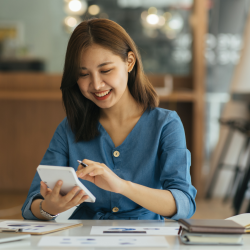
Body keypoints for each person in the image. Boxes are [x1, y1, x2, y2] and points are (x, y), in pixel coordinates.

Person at [22, 18, 197, 221]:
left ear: (129, 62)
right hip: (82, 239)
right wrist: (48, 208)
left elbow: (184, 203)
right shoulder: (68, 128)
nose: (96, 84)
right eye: (83, 74)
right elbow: (31, 205)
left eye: (106, 70)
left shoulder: (166, 124)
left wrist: (122, 186)